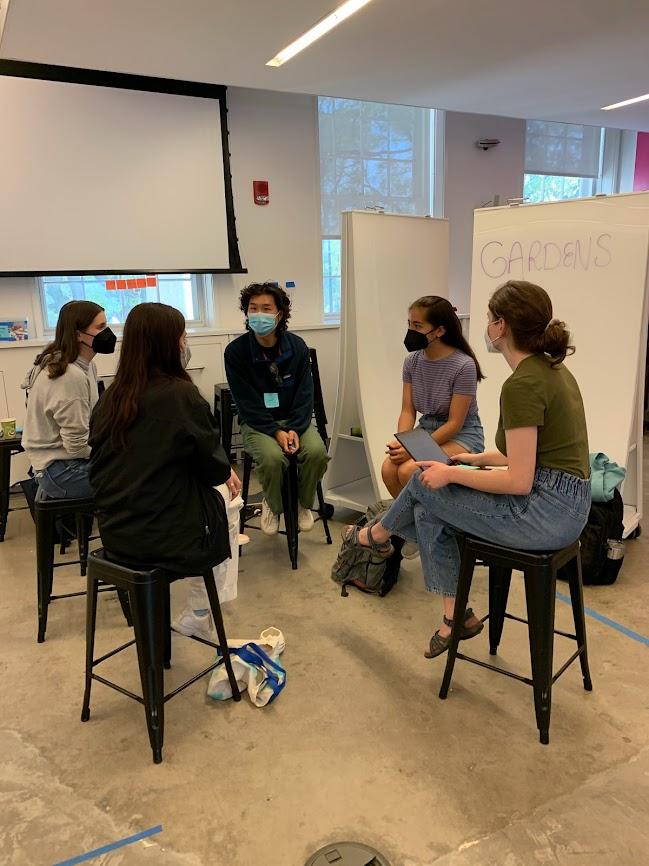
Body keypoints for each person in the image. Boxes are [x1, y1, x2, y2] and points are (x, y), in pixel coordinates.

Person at [341, 280, 591, 658]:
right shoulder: (550, 370)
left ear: (501, 326)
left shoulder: (522, 384)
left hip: (546, 512)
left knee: (427, 484)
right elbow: (525, 456)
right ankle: (456, 618)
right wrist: (473, 460)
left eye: (490, 318)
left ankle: (374, 537)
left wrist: (452, 473)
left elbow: (520, 480)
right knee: (428, 503)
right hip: (565, 502)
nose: (487, 326)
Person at [89, 302, 241, 639]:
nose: (185, 344)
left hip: (116, 533)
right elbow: (214, 469)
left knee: (211, 491)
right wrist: (223, 472)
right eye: (183, 337)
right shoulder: (181, 395)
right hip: (166, 539)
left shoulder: (112, 396)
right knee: (230, 496)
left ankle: (200, 608)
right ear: (168, 344)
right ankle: (202, 613)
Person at [224, 282, 329, 536]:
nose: (258, 313)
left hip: (295, 421)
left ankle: (302, 505)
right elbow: (246, 402)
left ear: (279, 314)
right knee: (272, 459)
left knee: (316, 452)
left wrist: (293, 428)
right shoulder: (236, 352)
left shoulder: (297, 347)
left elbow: (306, 394)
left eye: (266, 308)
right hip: (258, 423)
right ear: (246, 313)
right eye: (253, 308)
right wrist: (275, 431)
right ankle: (273, 504)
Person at [382, 296, 485, 498]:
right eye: (409, 324)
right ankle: (407, 526)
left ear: (440, 330)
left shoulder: (463, 365)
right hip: (426, 429)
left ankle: (424, 524)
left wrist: (412, 448)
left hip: (462, 435)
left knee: (408, 471)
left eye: (418, 325)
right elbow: (407, 410)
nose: (411, 331)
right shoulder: (412, 361)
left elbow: (455, 423)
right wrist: (403, 442)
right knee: (388, 470)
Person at [22, 300, 116, 499]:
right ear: (77, 334)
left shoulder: (87, 367)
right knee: (137, 483)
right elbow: (76, 446)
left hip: (68, 461)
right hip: (58, 470)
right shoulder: (69, 375)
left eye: (106, 325)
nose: (108, 332)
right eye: (100, 327)